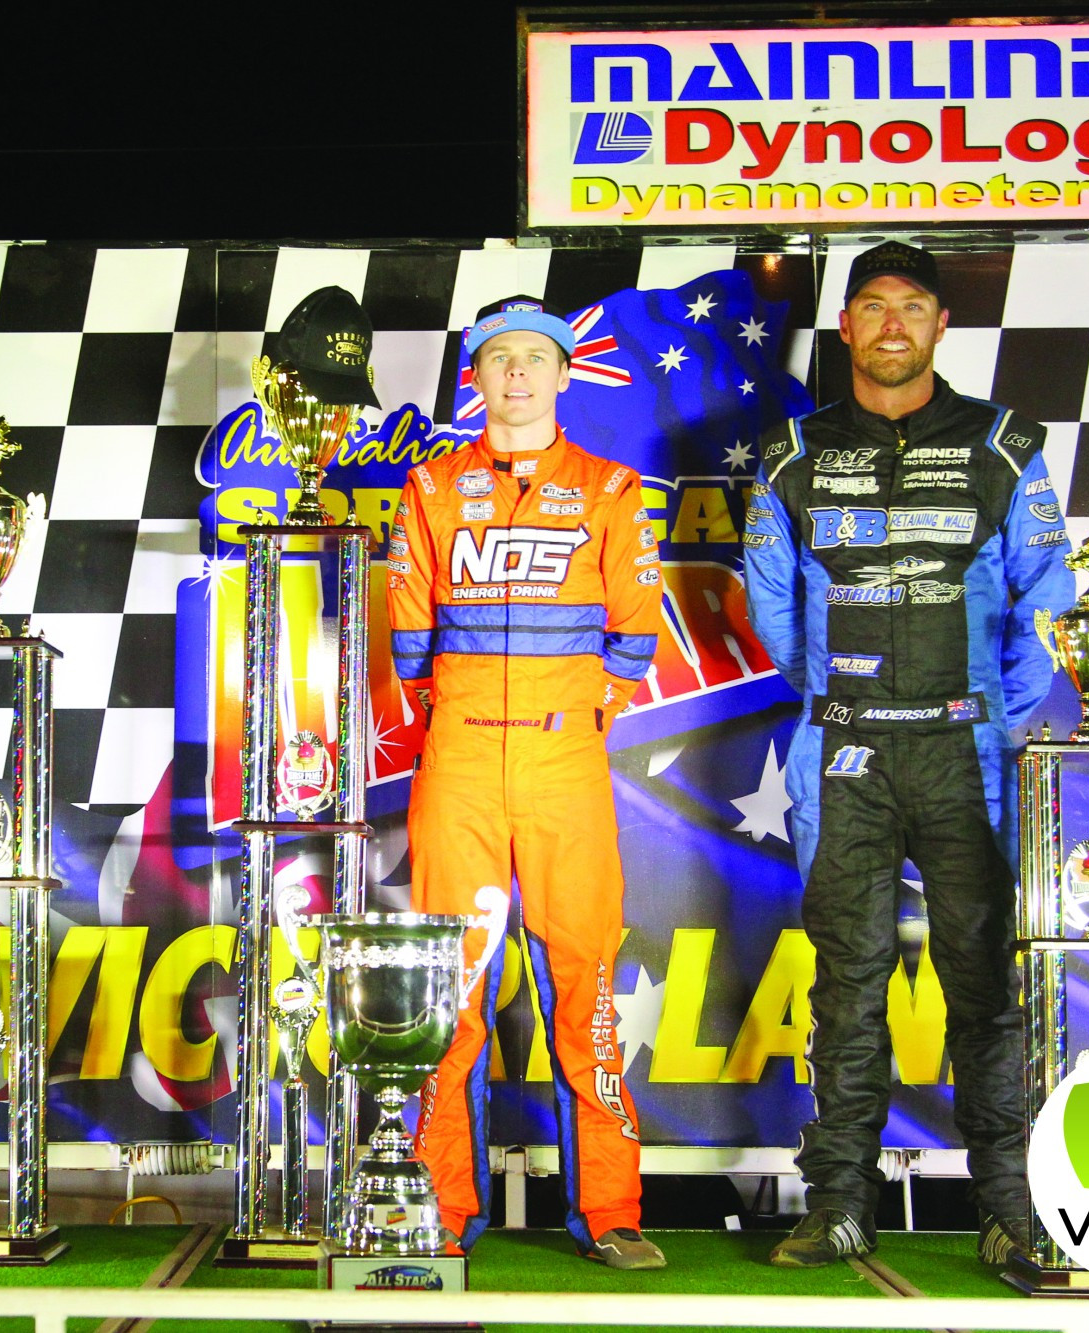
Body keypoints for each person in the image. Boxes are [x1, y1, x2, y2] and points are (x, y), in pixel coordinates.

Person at [742, 243, 1075, 1268]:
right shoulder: (792, 450)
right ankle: (837, 1200)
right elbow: (773, 604)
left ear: (939, 326)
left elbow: (1046, 595)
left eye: (912, 307)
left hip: (964, 749)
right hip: (841, 748)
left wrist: (987, 712)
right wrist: (843, 696)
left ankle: (1010, 1210)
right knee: (846, 981)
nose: (892, 324)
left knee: (984, 981)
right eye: (872, 307)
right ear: (843, 327)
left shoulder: (1002, 443)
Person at [387, 297, 666, 1270]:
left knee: (584, 986)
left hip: (563, 761)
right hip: (458, 756)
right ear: (475, 376)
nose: (514, 374)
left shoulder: (609, 488)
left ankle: (609, 1209)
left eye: (532, 359)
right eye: (496, 358)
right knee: (440, 988)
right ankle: (433, 1205)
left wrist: (569, 717)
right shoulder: (427, 488)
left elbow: (634, 636)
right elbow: (409, 642)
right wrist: (468, 716)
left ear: (559, 376)